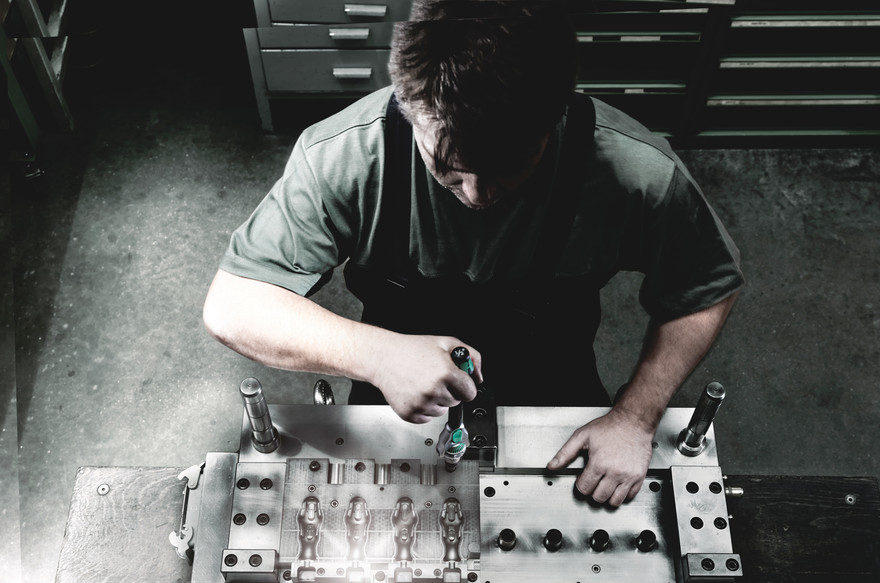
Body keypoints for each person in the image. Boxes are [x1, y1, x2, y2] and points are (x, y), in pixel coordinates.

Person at [203, 0, 743, 508]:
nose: (478, 195)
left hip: (553, 373)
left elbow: (705, 290)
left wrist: (636, 416)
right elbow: (234, 305)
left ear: (556, 114)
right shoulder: (345, 156)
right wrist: (378, 356)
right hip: (394, 377)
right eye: (449, 167)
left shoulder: (635, 173)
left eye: (510, 167)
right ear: (409, 107)